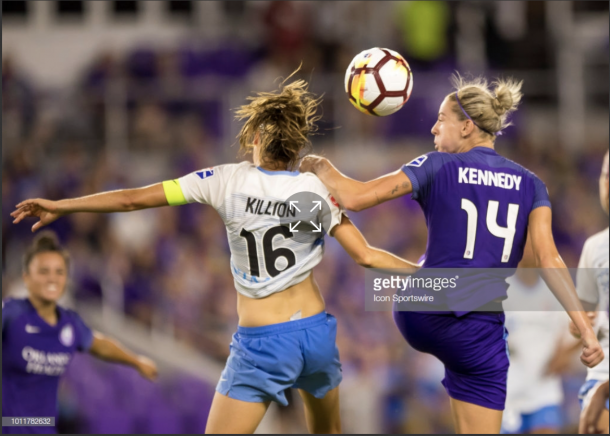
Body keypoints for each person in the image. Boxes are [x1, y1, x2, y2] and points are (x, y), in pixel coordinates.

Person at [11, 72, 419, 434]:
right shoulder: (317, 192)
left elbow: (133, 200)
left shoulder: (224, 180)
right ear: (296, 145)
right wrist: (425, 276)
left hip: (262, 345)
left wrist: (62, 205)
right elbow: (366, 256)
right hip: (315, 335)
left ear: (256, 138)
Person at [300, 74, 604, 434]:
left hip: (424, 308)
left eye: (441, 119)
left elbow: (355, 198)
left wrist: (320, 165)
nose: (432, 128)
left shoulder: (437, 165)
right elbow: (549, 259)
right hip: (479, 329)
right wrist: (586, 330)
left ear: (466, 127)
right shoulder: (531, 184)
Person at [2, 232, 158, 435]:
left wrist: (136, 361)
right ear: (28, 278)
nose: (52, 278)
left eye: (59, 272)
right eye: (44, 271)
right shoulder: (11, 313)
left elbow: (100, 345)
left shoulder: (68, 322)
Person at [501, 239, 578, 434]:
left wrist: (564, 355)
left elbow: (574, 332)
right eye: (524, 242)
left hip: (544, 391)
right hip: (507, 393)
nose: (529, 248)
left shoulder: (558, 288)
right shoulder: (499, 289)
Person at [570, 150, 609, 434]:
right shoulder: (594, 248)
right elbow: (582, 320)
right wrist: (579, 326)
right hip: (602, 372)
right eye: (607, 175)